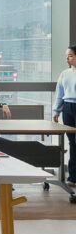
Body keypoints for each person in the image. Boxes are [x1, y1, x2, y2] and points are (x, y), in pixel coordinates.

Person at [53, 45, 76, 186]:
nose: (67, 58)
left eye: (71, 55)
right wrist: (56, 111)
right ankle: (73, 177)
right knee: (72, 143)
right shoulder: (64, 74)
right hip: (68, 108)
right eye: (67, 56)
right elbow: (59, 94)